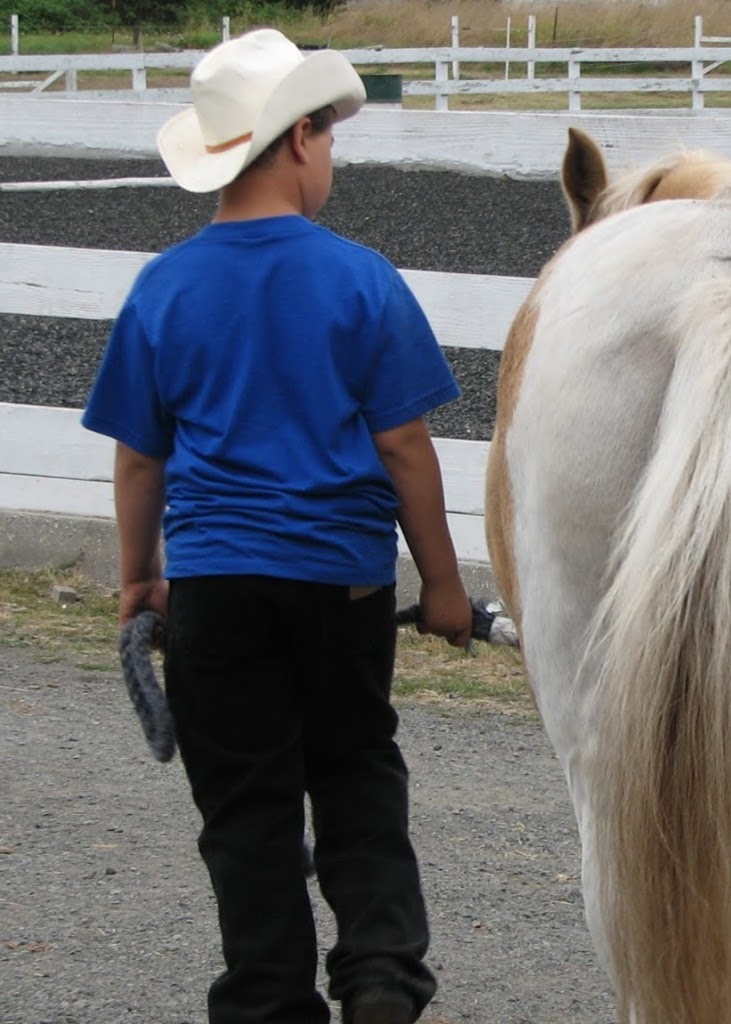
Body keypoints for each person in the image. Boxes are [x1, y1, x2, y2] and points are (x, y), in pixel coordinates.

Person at [82, 27, 472, 1024]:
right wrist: (440, 583)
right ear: (300, 137)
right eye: (331, 138)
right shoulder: (360, 279)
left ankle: (265, 998)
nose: (331, 157)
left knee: (246, 805)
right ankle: (381, 973)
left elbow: (139, 457)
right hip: (338, 583)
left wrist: (140, 576)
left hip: (214, 586)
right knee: (355, 770)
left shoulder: (164, 287)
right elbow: (404, 449)